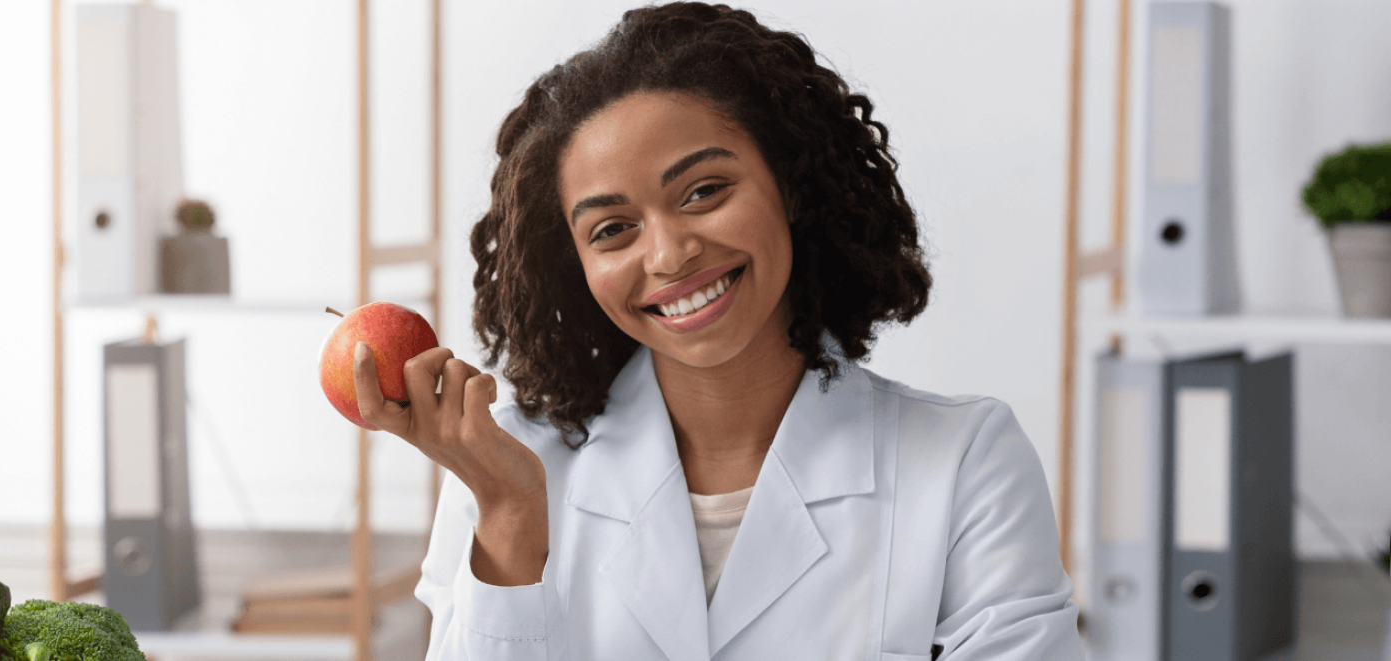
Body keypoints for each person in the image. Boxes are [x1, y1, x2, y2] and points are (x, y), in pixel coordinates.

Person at [350, 3, 1084, 659]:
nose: (669, 255)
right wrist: (510, 517)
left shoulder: (964, 463)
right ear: (572, 264)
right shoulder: (505, 473)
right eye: (613, 229)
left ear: (791, 183)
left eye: (704, 191)